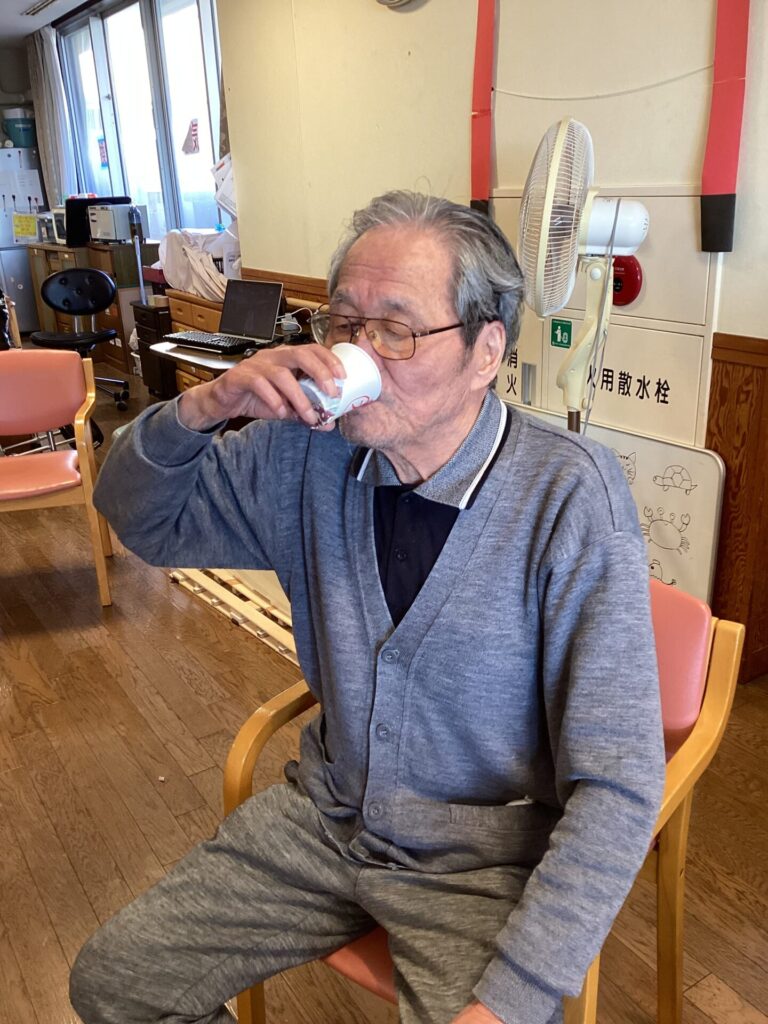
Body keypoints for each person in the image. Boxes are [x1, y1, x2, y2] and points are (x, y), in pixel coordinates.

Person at [70, 191, 664, 1024]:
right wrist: (203, 408)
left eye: (397, 330)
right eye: (344, 323)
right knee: (114, 983)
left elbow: (618, 781)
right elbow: (138, 518)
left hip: (480, 863)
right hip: (329, 816)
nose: (358, 352)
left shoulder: (569, 495)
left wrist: (516, 995)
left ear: (486, 351)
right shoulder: (303, 451)